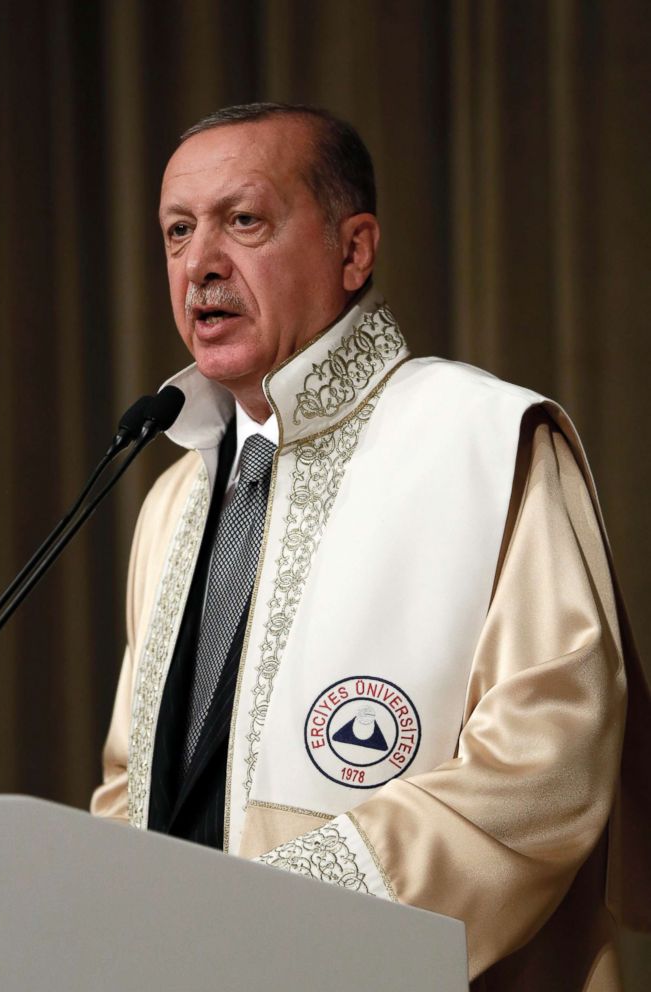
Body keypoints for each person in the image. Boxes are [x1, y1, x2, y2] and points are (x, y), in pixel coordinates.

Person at [91, 103, 649, 990]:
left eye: (244, 222)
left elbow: (550, 763)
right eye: (176, 232)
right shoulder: (175, 497)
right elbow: (133, 781)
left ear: (353, 250)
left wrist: (278, 925)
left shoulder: (484, 439)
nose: (200, 264)